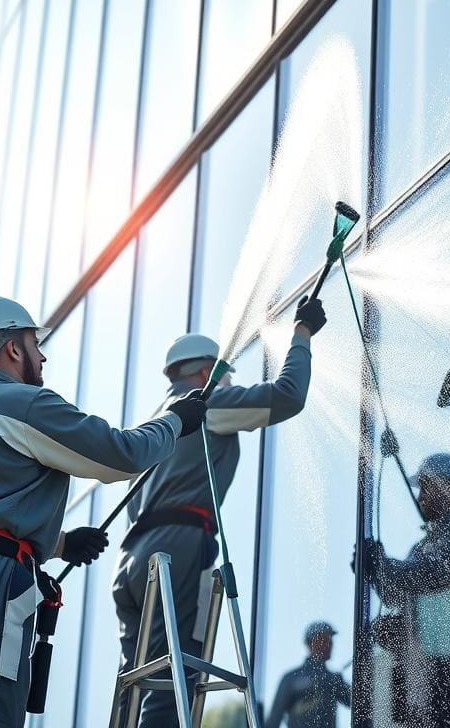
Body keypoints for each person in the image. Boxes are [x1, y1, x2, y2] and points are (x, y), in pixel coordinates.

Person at [0, 296, 203, 728]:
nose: (42, 356)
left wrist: (57, 544)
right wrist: (174, 421)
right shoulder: (22, 402)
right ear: (13, 349)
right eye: (35, 345)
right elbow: (120, 455)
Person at [111, 295, 326, 728]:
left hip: (131, 561)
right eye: (224, 375)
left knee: (135, 683)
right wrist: (301, 335)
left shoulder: (155, 423)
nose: (229, 384)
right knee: (173, 679)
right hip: (176, 548)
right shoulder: (205, 403)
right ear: (206, 371)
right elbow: (287, 397)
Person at [363, 453, 450, 727]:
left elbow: (438, 574)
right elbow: (396, 596)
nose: (419, 496)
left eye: (426, 487)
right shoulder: (421, 548)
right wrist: (374, 571)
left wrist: (383, 564)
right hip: (422, 681)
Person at [266, 621, 351, 728]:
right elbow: (275, 717)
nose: (330, 644)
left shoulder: (334, 679)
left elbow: (359, 702)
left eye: (330, 640)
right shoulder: (292, 678)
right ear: (310, 643)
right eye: (324, 639)